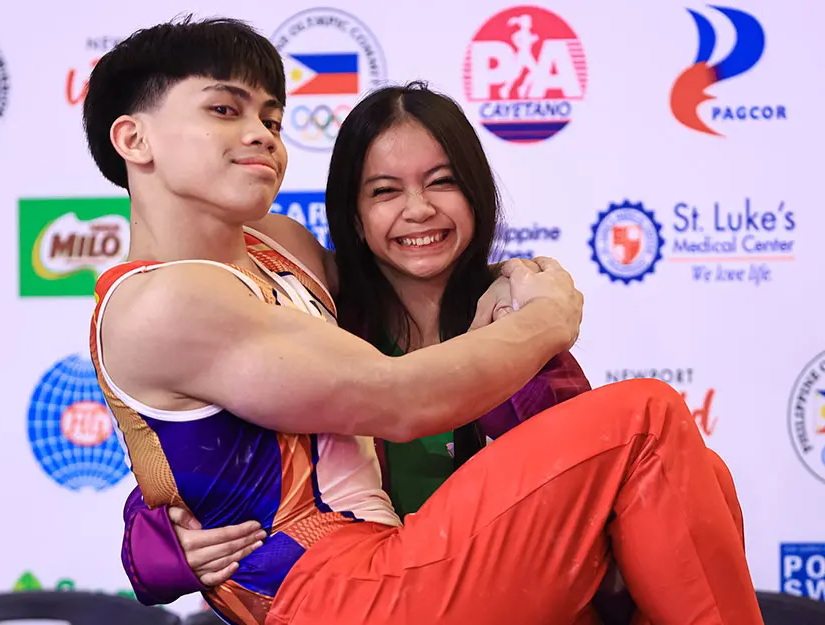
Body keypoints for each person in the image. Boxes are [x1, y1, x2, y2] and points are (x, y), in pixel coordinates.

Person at [83, 16, 762, 625]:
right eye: (224, 110)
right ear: (134, 138)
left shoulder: (280, 248)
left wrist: (525, 276)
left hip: (398, 565)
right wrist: (549, 319)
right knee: (645, 417)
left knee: (694, 472)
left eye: (273, 118)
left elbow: (213, 426)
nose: (261, 133)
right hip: (336, 591)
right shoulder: (166, 300)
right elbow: (395, 397)